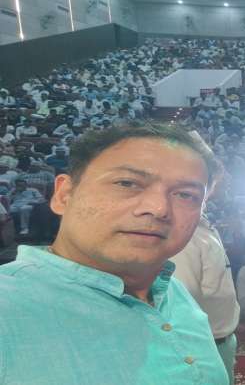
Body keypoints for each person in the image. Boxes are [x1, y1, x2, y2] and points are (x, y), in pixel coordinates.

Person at [0, 123, 229, 385]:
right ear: (64, 195)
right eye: (127, 183)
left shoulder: (172, 291)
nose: (158, 209)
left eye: (186, 195)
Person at [170, 215, 241, 384]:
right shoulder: (182, 234)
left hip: (222, 338)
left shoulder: (203, 227)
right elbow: (183, 297)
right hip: (204, 344)